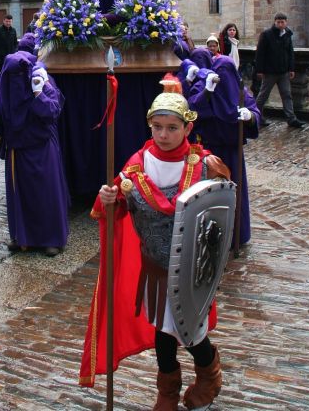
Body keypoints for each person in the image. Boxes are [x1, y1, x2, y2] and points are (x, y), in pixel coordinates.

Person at [79, 81, 230, 410]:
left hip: (192, 272)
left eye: (172, 128)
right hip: (155, 269)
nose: (163, 134)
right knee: (163, 331)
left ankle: (209, 374)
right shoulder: (136, 166)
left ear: (188, 127)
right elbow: (113, 209)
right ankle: (167, 391)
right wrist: (109, 198)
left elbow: (221, 221)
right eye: (157, 127)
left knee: (191, 332)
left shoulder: (207, 166)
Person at [0, 42, 69, 256]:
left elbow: (53, 112)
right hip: (16, 152)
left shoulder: (42, 83)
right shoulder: (5, 94)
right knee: (20, 196)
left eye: (19, 75)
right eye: (11, 76)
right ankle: (22, 237)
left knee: (46, 193)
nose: (16, 80)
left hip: (42, 148)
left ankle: (52, 238)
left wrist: (39, 95)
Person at [182, 50, 260, 245]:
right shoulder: (204, 87)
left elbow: (254, 110)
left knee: (234, 191)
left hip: (232, 151)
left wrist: (250, 117)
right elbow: (192, 111)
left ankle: (236, 233)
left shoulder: (240, 92)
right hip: (208, 152)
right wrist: (207, 93)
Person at [254, 12, 304, 128]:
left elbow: (290, 52)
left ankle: (291, 118)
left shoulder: (287, 34)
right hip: (270, 72)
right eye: (278, 22)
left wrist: (291, 68)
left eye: (282, 22)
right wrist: (260, 70)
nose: (281, 24)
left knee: (287, 95)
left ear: (286, 22)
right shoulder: (267, 34)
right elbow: (260, 53)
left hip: (283, 72)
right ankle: (256, 116)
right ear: (275, 22)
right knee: (263, 96)